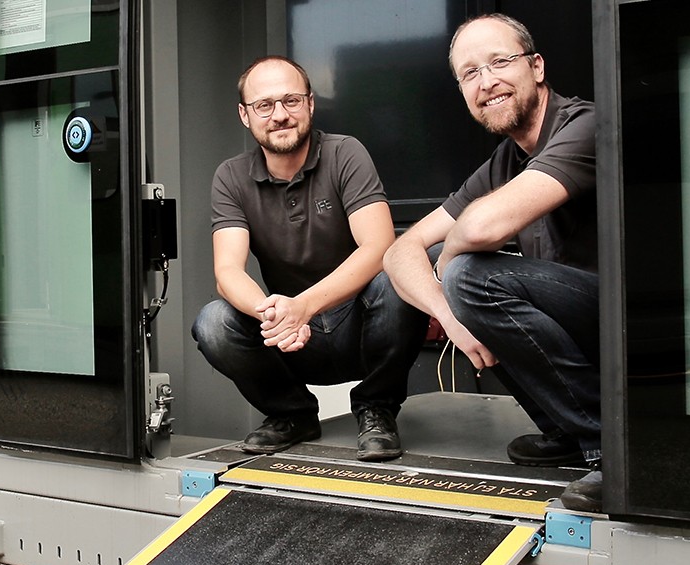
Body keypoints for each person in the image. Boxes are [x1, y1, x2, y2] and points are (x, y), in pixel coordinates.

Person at [383, 15, 604, 507]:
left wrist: (451, 272)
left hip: (625, 328)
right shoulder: (506, 161)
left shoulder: (586, 125)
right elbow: (399, 251)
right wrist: (448, 317)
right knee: (451, 277)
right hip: (578, 329)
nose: (487, 82)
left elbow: (481, 230)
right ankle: (564, 428)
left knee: (465, 272)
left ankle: (610, 443)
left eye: (500, 62)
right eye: (470, 73)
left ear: (537, 66)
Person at [193, 56, 427, 461]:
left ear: (311, 104)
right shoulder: (230, 177)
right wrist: (274, 314)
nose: (280, 115)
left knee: (397, 277)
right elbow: (227, 270)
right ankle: (292, 415)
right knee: (214, 322)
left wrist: (303, 306)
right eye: (264, 105)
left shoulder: (345, 153)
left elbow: (378, 247)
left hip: (361, 325)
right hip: (292, 342)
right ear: (244, 116)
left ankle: (377, 410)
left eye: (291, 101)